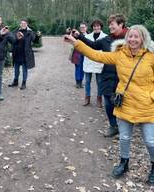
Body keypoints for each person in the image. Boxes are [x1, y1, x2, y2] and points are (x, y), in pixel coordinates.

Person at [64, 24, 154, 184]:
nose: (133, 39)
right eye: (130, 36)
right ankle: (124, 163)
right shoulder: (120, 54)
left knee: (150, 141)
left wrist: (151, 96)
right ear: (126, 39)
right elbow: (96, 56)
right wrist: (75, 42)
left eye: (136, 36)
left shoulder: (150, 56)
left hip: (147, 105)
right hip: (125, 103)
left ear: (143, 39)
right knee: (125, 137)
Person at [72, 14, 128, 137]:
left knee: (124, 103)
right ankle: (113, 126)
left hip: (125, 77)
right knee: (108, 102)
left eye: (112, 24)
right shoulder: (107, 39)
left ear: (121, 24)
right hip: (108, 75)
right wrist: (79, 37)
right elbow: (93, 45)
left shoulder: (131, 38)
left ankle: (126, 128)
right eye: (109, 24)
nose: (110, 26)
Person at [8, 19, 41, 90]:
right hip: (17, 54)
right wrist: (11, 51)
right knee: (16, 69)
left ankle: (24, 83)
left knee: (24, 70)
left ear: (27, 24)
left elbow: (35, 40)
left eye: (24, 23)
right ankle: (15, 81)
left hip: (25, 54)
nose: (23, 24)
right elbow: (12, 41)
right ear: (20, 24)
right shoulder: (16, 31)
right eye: (22, 23)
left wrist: (38, 36)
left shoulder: (30, 32)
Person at [82, 19, 107, 107]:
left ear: (101, 27)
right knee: (87, 81)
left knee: (99, 82)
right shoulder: (87, 37)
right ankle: (87, 98)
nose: (96, 27)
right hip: (88, 62)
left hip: (99, 62)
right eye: (95, 26)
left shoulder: (105, 37)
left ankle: (99, 99)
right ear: (92, 27)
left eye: (98, 26)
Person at [70, 22, 88, 88]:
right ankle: (77, 82)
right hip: (77, 53)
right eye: (81, 27)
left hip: (85, 53)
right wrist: (69, 33)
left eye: (83, 27)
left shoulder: (89, 35)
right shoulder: (76, 34)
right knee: (78, 67)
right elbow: (68, 38)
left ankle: (81, 81)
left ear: (86, 28)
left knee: (83, 68)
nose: (82, 29)